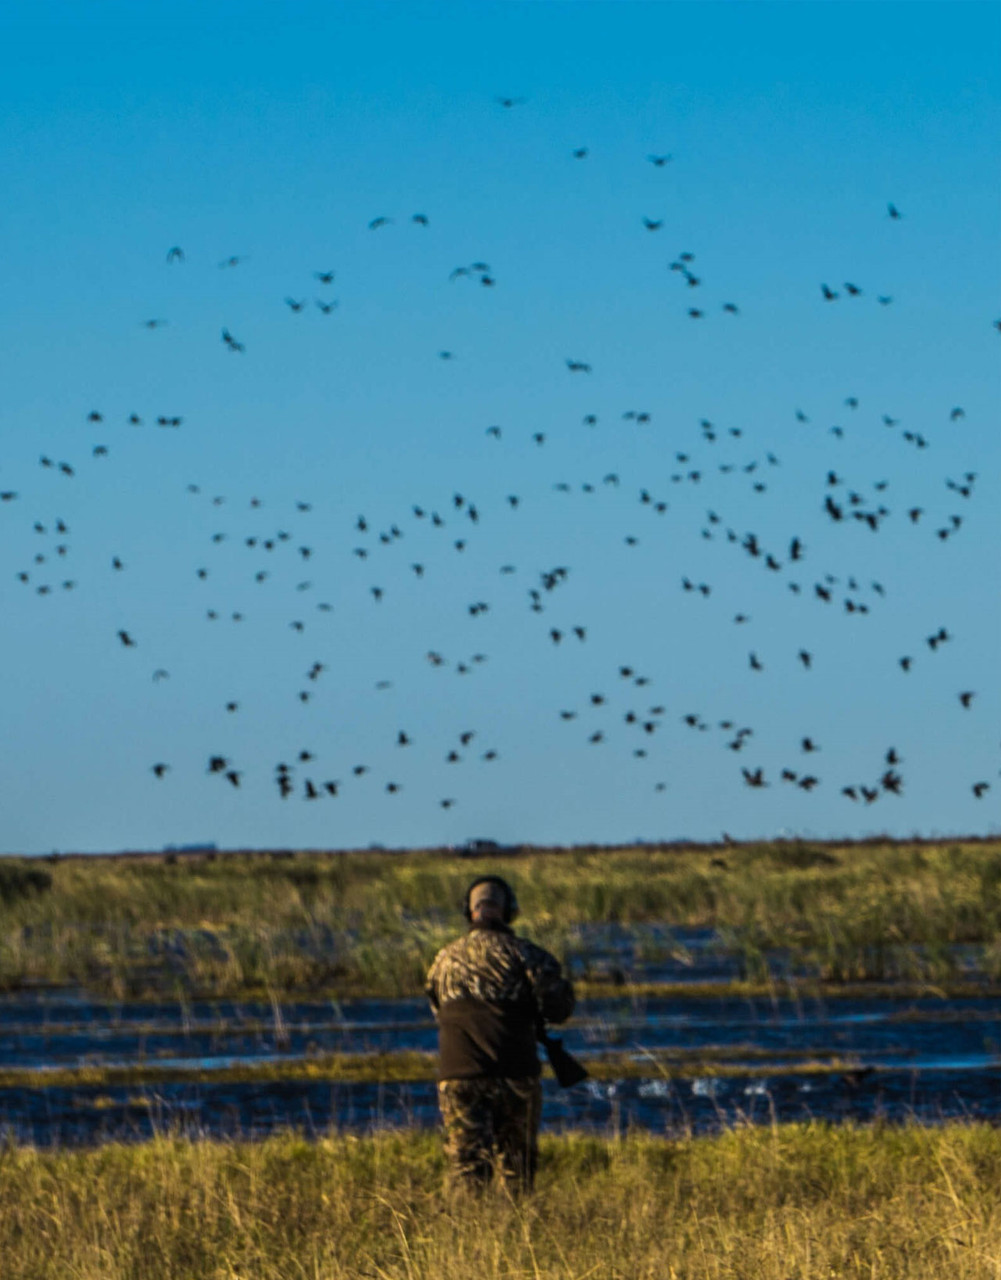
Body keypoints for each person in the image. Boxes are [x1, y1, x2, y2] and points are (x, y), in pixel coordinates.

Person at [425, 874, 575, 1193]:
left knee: (466, 1169)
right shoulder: (527, 955)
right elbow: (558, 1009)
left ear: (469, 911)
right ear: (510, 911)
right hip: (514, 1072)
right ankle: (516, 1235)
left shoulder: (443, 959)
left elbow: (437, 1010)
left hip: (459, 1074)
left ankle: (467, 1236)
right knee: (517, 1171)